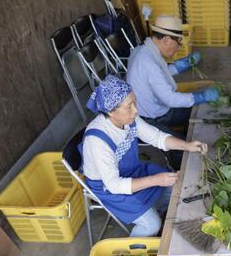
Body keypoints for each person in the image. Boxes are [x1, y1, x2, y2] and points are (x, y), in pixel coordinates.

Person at [81, 75, 207, 237]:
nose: (136, 110)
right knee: (151, 225)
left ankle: (154, 209)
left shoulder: (128, 119)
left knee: (175, 186)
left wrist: (187, 146)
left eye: (135, 102)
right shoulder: (97, 140)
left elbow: (156, 137)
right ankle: (129, 255)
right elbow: (114, 185)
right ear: (111, 111)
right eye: (129, 106)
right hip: (109, 187)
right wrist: (156, 180)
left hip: (133, 172)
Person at [126, 14, 219, 143]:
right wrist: (200, 96)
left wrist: (181, 65)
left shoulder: (142, 51)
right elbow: (170, 99)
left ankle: (185, 129)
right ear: (166, 40)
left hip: (153, 109)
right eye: (178, 42)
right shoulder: (149, 63)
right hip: (149, 120)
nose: (178, 47)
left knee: (197, 110)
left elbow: (158, 75)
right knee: (183, 148)